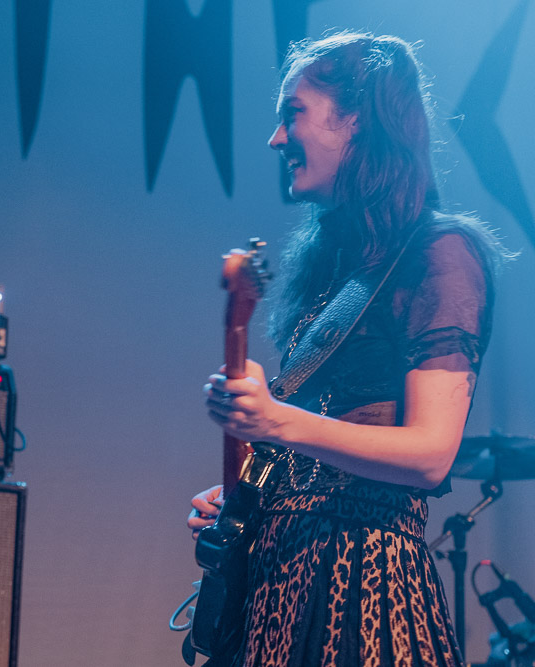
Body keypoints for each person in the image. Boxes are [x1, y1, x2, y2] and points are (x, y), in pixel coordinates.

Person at [187, 32, 511, 666]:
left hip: (366, 594)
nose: (276, 139)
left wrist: (276, 418)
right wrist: (254, 490)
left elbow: (429, 455)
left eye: (293, 114)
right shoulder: (341, 271)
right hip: (281, 589)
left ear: (357, 119)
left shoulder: (438, 253)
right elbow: (325, 439)